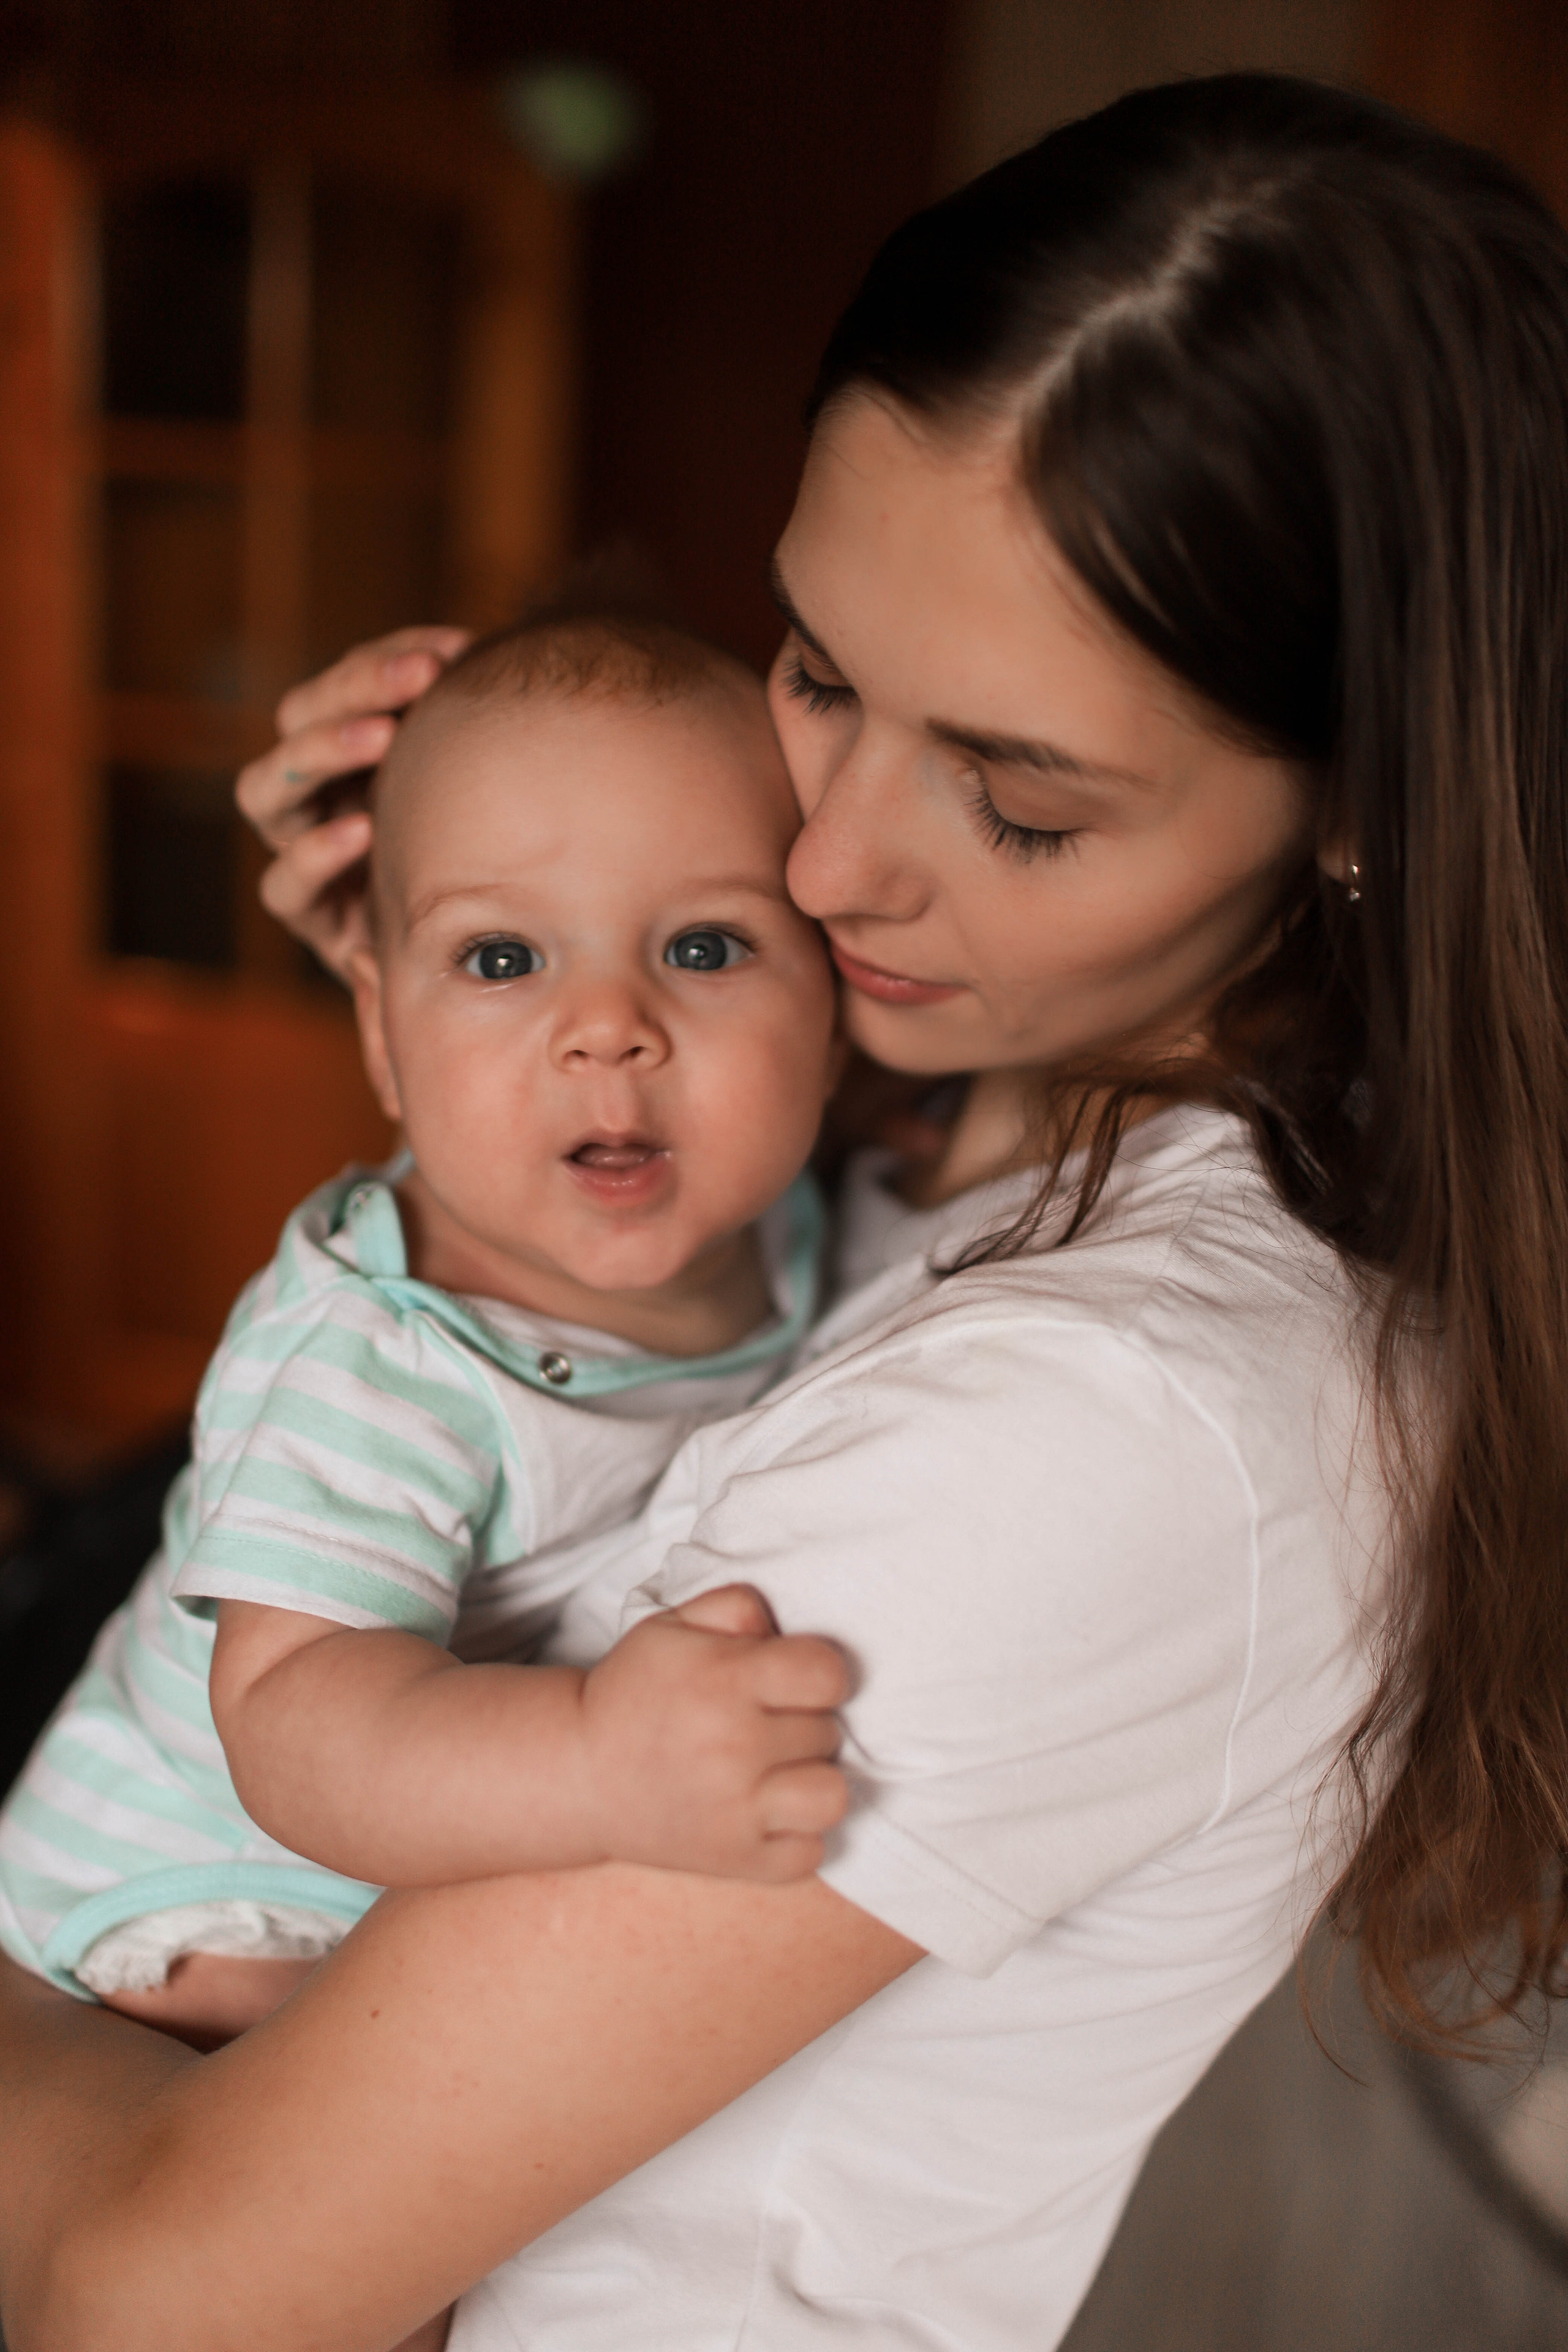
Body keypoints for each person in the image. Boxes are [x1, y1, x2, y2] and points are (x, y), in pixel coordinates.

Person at [4, 72, 1568, 2352]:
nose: (829, 867)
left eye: (1018, 803)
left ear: (1362, 802)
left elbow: (154, 2296)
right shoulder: (964, 1115)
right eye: (823, 675)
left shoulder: (1119, 1422)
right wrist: (509, 905)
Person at [0, 608, 847, 2048]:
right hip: (193, 1905)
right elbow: (294, 1720)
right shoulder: (388, 1357)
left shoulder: (792, 1222)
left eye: (704, 944)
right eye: (503, 960)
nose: (607, 1027)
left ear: (837, 1009)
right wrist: (597, 1760)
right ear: (383, 1038)